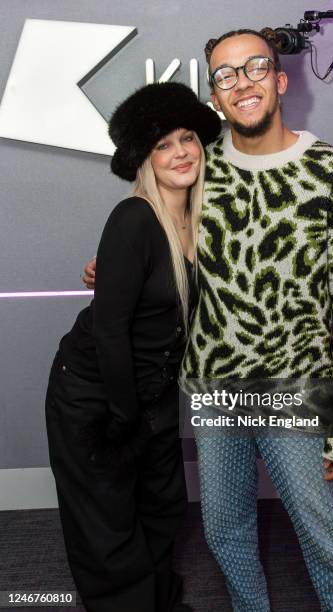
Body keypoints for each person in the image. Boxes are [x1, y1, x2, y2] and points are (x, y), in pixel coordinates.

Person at [83, 29, 333, 611]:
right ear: (215, 98)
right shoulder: (200, 164)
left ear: (280, 78)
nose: (241, 82)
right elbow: (157, 232)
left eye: (254, 68)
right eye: (225, 75)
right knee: (224, 529)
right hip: (214, 382)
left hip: (295, 387)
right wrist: (114, 268)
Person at [46, 81, 221, 612]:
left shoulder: (203, 216)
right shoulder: (133, 219)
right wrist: (125, 419)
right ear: (145, 160)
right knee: (108, 521)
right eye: (163, 145)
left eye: (187, 138)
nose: (181, 152)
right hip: (98, 395)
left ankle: (156, 599)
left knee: (163, 505)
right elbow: (109, 332)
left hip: (152, 392)